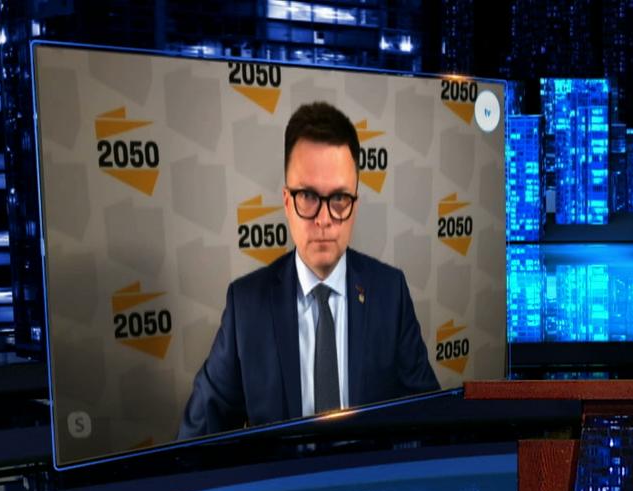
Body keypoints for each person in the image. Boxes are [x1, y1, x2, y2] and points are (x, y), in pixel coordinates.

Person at [179, 102, 439, 439]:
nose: (324, 219)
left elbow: (428, 418)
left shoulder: (391, 293)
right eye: (308, 196)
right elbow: (197, 438)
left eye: (339, 198)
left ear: (355, 205)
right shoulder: (246, 307)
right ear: (287, 202)